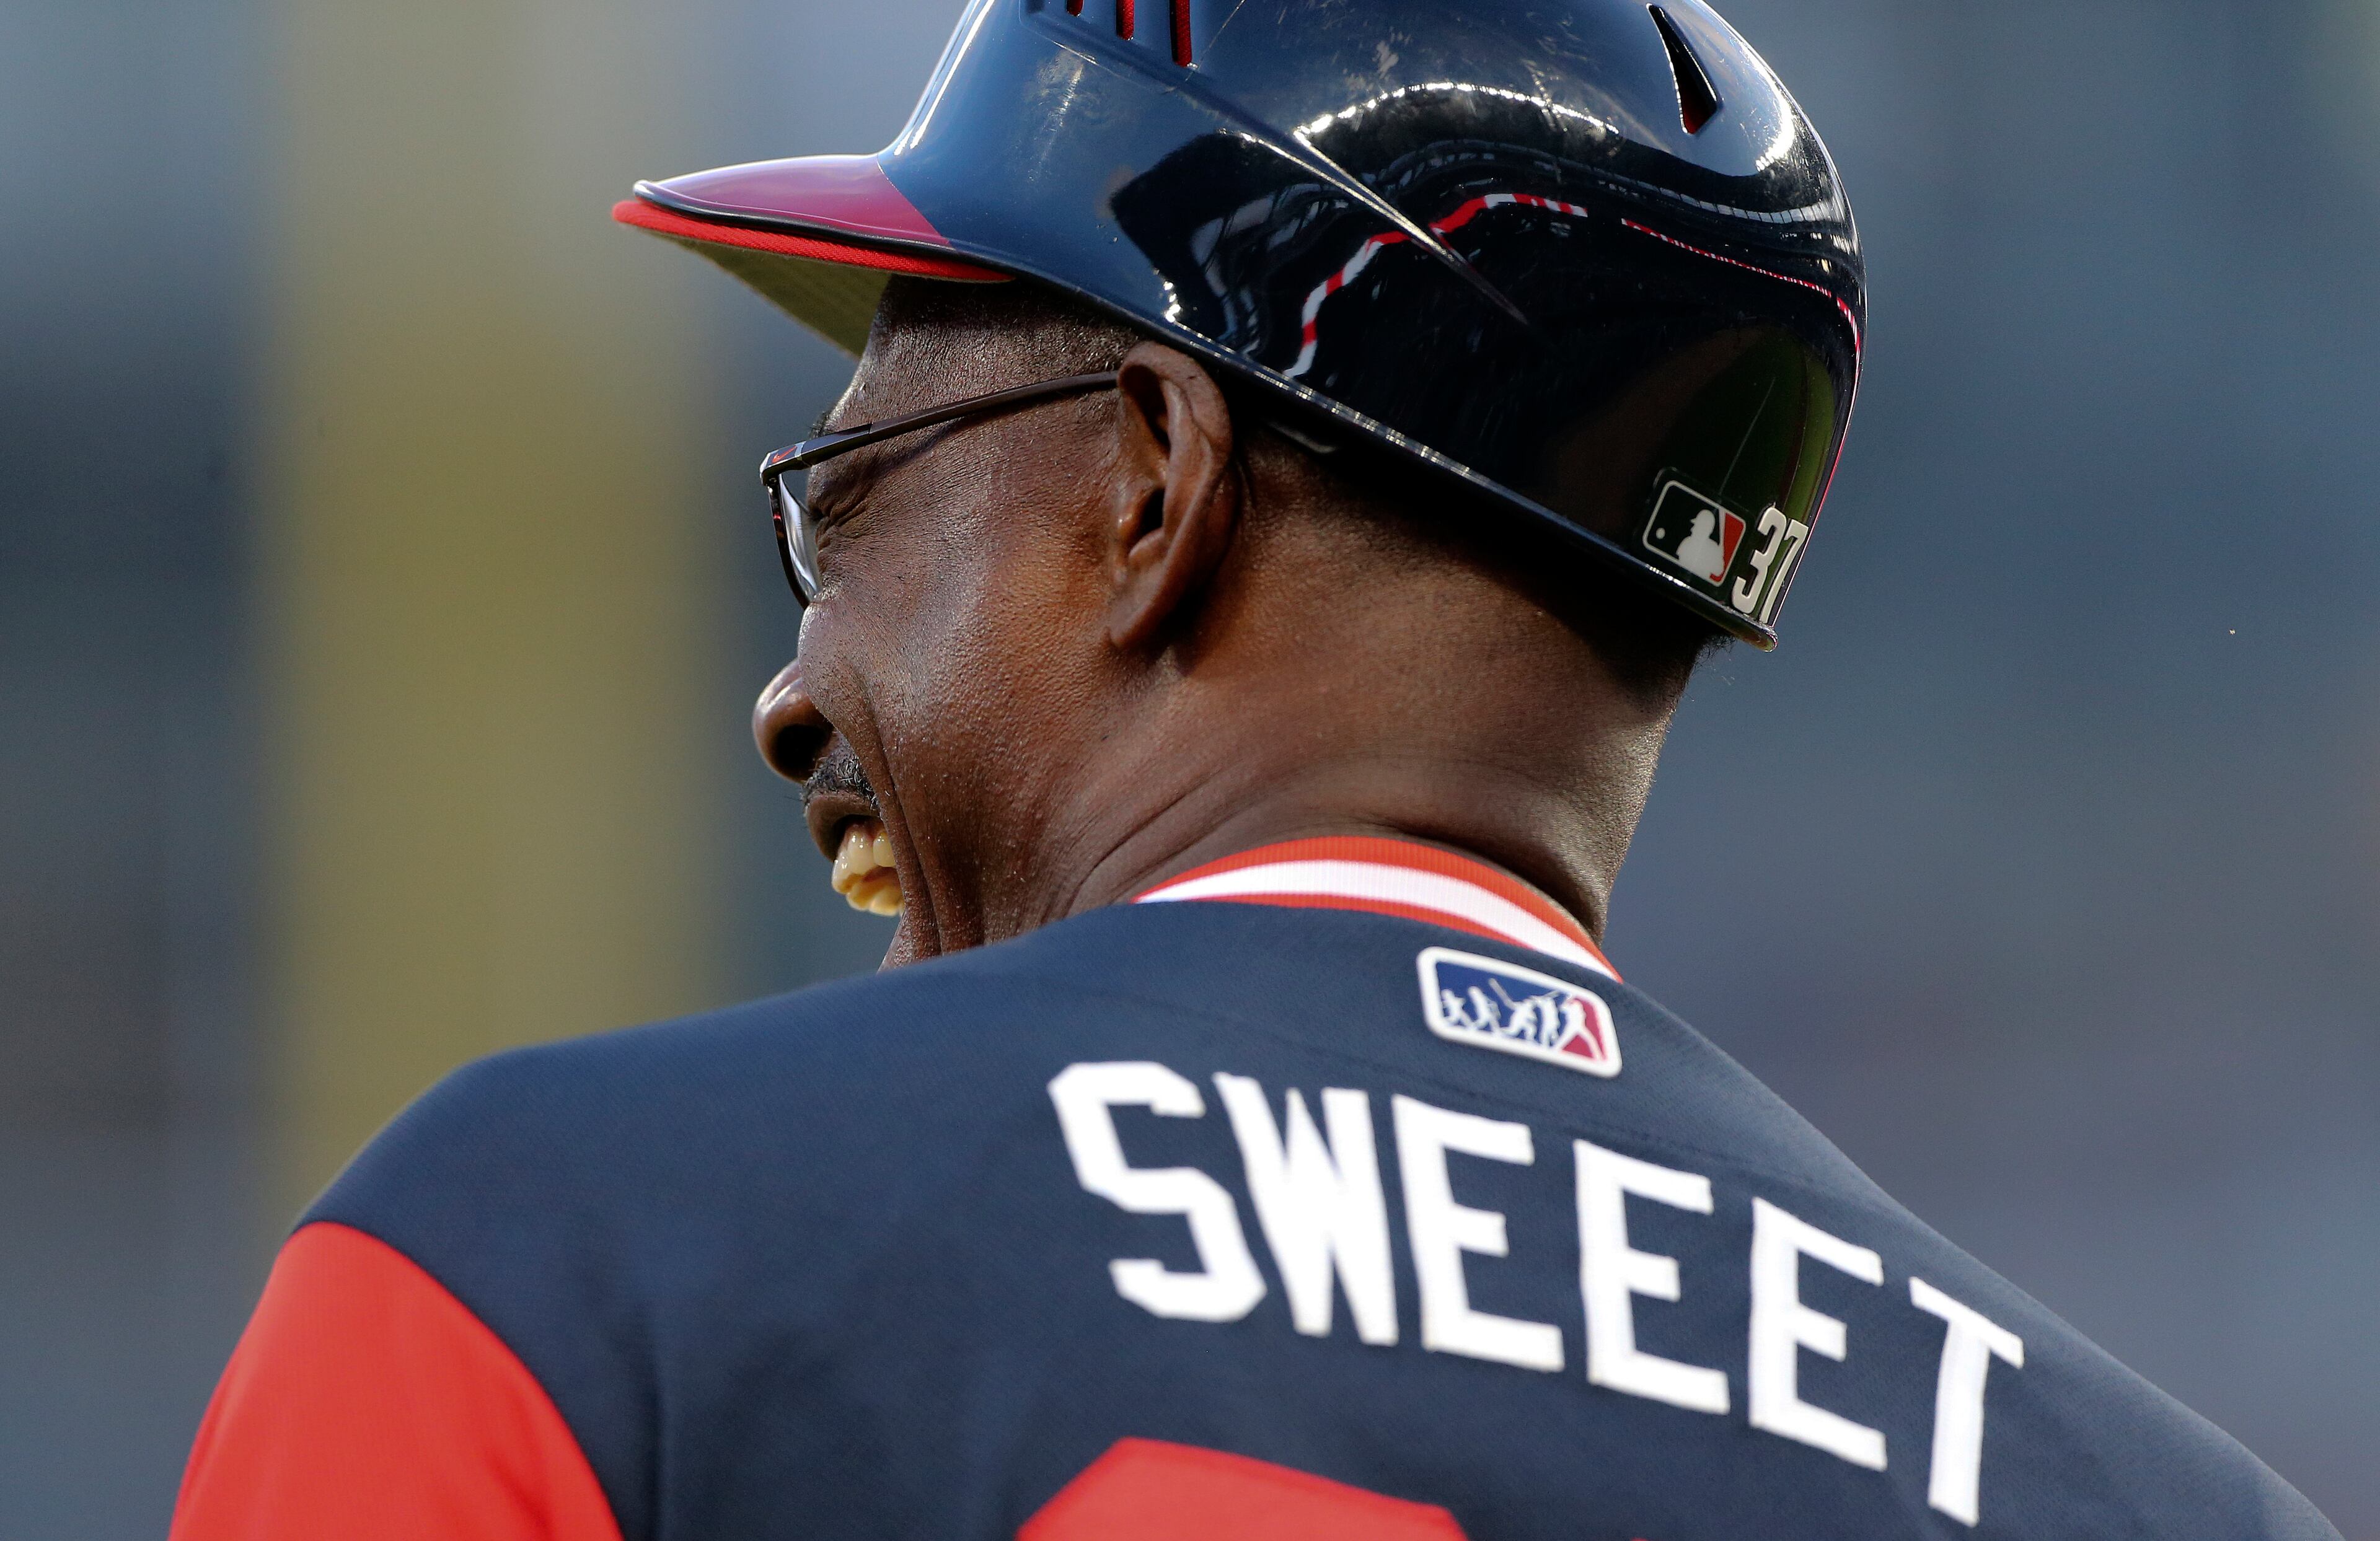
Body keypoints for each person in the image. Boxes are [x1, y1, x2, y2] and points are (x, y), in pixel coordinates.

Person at [171, 1, 2341, 1537]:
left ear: (1151, 489)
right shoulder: (2171, 1501)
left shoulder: (562, 1263)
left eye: (850, 507)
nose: (793, 692)